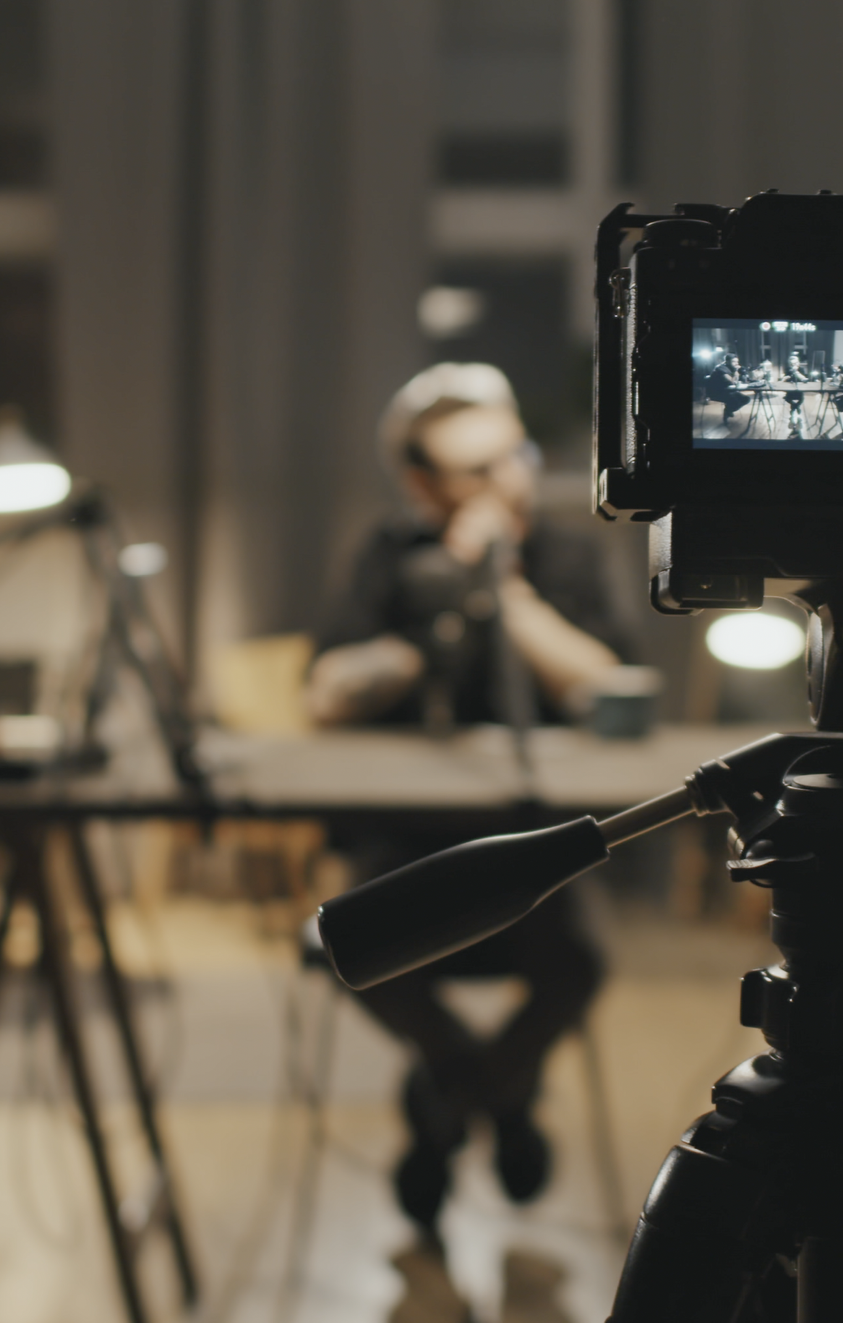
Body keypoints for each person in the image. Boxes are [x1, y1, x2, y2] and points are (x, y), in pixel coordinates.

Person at [306, 362, 628, 1247]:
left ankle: (443, 1104)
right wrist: (441, 606)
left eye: (515, 456)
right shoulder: (390, 555)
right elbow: (327, 691)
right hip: (409, 841)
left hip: (536, 841)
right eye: (477, 470)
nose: (508, 481)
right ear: (422, 484)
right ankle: (499, 1094)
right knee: (350, 946)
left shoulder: (566, 556)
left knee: (579, 961)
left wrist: (505, 594)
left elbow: (609, 687)